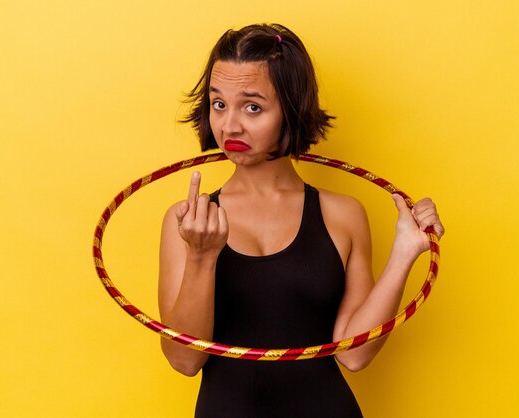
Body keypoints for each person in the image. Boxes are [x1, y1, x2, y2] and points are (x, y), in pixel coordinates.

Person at [158, 23, 445, 417]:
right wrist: (201, 257)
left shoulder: (342, 215)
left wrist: (405, 252)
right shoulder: (189, 222)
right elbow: (184, 361)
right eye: (219, 104)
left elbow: (355, 354)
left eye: (253, 106)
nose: (230, 125)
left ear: (289, 109)